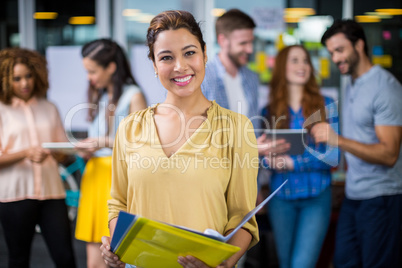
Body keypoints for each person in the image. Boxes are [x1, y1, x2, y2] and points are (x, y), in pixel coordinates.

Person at [99, 10, 259, 268]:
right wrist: (117, 248)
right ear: (154, 65)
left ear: (205, 54)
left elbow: (242, 219)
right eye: (166, 57)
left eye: (189, 53)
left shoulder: (237, 128)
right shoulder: (130, 127)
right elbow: (118, 204)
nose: (180, 66)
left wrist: (224, 264)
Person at [312, 19, 402, 267]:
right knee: (344, 260)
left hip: (382, 196)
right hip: (355, 194)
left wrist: (336, 139)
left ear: (359, 45)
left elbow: (389, 154)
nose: (335, 58)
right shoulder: (352, 83)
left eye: (340, 50)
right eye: (331, 53)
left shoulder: (385, 87)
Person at [260, 45, 339, 268]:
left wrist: (294, 163)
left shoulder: (326, 105)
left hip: (316, 197)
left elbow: (333, 156)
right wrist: (269, 160)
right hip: (281, 199)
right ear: (282, 67)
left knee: (301, 265)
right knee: (286, 264)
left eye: (305, 60)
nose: (302, 65)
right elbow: (261, 153)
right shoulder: (270, 110)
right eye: (294, 60)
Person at [0, 47, 76, 267]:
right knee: (18, 259)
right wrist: (25, 153)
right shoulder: (2, 110)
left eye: (28, 76)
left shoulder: (49, 107)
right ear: (6, 80)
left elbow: (62, 152)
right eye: (17, 78)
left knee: (65, 257)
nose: (24, 83)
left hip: (52, 193)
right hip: (15, 196)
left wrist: (70, 151)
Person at [74, 39, 147, 268]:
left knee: (116, 252)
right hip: (94, 176)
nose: (89, 77)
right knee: (94, 259)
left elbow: (142, 144)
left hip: (116, 179)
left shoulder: (133, 96)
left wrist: (103, 142)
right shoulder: (102, 96)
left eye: (92, 71)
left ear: (111, 67)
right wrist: (87, 150)